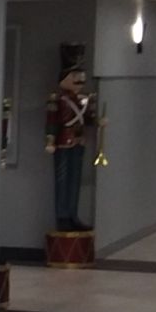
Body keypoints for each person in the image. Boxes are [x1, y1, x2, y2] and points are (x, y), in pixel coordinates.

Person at [45, 64, 98, 232]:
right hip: (63, 142)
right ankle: (62, 216)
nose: (80, 79)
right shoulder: (58, 100)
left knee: (75, 180)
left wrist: (98, 121)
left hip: (78, 141)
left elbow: (88, 119)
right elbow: (52, 121)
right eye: (75, 75)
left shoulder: (84, 99)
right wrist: (50, 140)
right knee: (62, 180)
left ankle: (73, 215)